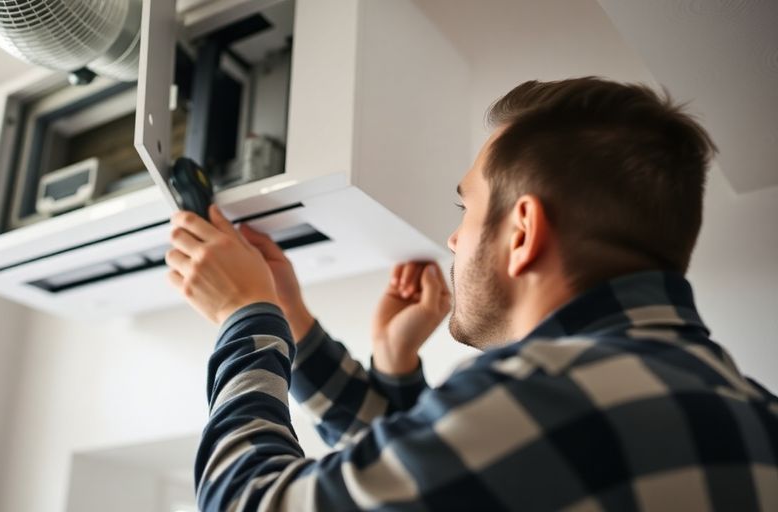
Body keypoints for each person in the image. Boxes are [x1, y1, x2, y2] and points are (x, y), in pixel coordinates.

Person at [164, 77, 778, 511]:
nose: (454, 239)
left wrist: (247, 318)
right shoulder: (752, 411)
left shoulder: (545, 396)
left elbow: (245, 502)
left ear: (523, 232)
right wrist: (306, 324)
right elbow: (437, 475)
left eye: (467, 208)